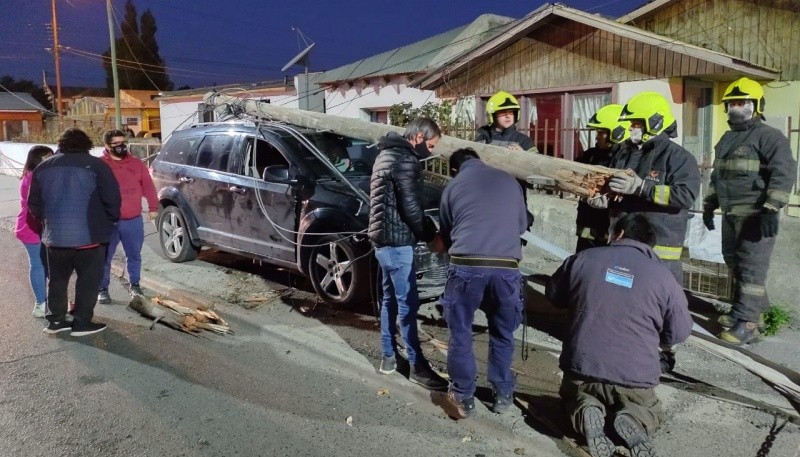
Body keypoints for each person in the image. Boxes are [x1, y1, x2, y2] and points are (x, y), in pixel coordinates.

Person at [546, 214, 692, 457]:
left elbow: (553, 295)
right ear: (649, 245)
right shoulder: (664, 277)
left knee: (572, 400)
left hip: (582, 369)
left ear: (620, 234)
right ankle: (635, 418)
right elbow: (679, 332)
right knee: (650, 412)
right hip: (634, 379)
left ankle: (585, 408)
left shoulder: (583, 258)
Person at [435, 148, 528, 419]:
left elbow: (447, 232)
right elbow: (521, 226)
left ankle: (463, 396)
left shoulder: (453, 187)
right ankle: (502, 394)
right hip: (506, 269)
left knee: (461, 332)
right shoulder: (509, 181)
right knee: (502, 333)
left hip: (466, 267)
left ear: (455, 169)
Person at [703, 78, 797, 345]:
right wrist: (710, 206)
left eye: (742, 103)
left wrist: (771, 208)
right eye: (732, 103)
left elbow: (784, 172)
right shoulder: (727, 138)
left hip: (756, 216)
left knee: (751, 270)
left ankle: (748, 324)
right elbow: (717, 176)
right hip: (731, 214)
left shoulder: (769, 137)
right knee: (735, 264)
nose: (736, 108)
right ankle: (749, 311)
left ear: (756, 105)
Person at [368, 117, 448, 390]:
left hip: (382, 242)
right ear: (418, 138)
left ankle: (389, 357)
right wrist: (431, 236)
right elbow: (411, 208)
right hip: (398, 243)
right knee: (408, 304)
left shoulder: (384, 155)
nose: (432, 151)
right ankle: (417, 366)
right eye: (431, 145)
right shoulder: (405, 160)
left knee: (390, 299)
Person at [28, 128, 121, 336]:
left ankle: (56, 321)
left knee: (57, 280)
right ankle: (81, 323)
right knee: (88, 280)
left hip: (54, 238)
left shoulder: (42, 168)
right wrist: (109, 221)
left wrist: (48, 220)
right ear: (87, 145)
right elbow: (113, 200)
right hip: (90, 238)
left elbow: (32, 204)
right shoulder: (98, 166)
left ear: (61, 144)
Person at [602, 92, 701, 284]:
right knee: (622, 293)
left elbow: (686, 196)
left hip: (660, 251)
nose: (630, 128)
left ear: (655, 123)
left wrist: (642, 188)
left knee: (660, 300)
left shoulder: (678, 157)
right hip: (623, 245)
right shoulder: (623, 154)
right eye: (631, 124)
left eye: (636, 124)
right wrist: (604, 198)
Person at [97, 129, 159, 303]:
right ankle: (102, 288)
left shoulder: (137, 164)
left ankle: (135, 285)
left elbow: (148, 186)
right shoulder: (101, 165)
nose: (120, 146)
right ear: (106, 146)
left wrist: (153, 207)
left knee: (134, 255)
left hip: (133, 220)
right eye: (115, 144)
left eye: (122, 142)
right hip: (108, 222)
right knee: (104, 257)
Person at [575, 104, 630, 253]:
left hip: (612, 229)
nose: (597, 136)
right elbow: (572, 173)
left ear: (617, 133)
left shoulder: (628, 160)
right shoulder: (590, 155)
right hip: (588, 225)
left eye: (602, 132)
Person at [14, 145, 54, 318]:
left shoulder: (32, 175)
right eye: (48, 157)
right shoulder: (34, 178)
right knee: (38, 264)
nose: (52, 160)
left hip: (33, 225)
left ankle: (45, 302)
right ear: (37, 159)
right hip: (32, 226)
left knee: (42, 264)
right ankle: (41, 304)